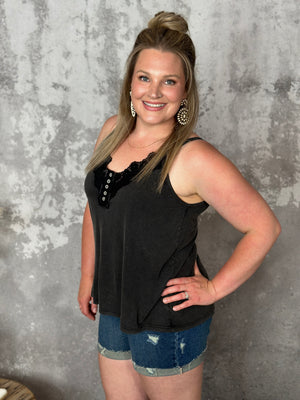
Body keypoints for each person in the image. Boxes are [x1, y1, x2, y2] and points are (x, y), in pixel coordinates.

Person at [78, 11, 281, 400]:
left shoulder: (193, 157)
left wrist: (214, 288)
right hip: (115, 307)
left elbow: (264, 227)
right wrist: (88, 278)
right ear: (130, 83)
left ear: (184, 91)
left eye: (168, 82)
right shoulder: (111, 131)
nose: (153, 93)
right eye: (144, 78)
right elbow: (96, 208)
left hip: (166, 319)